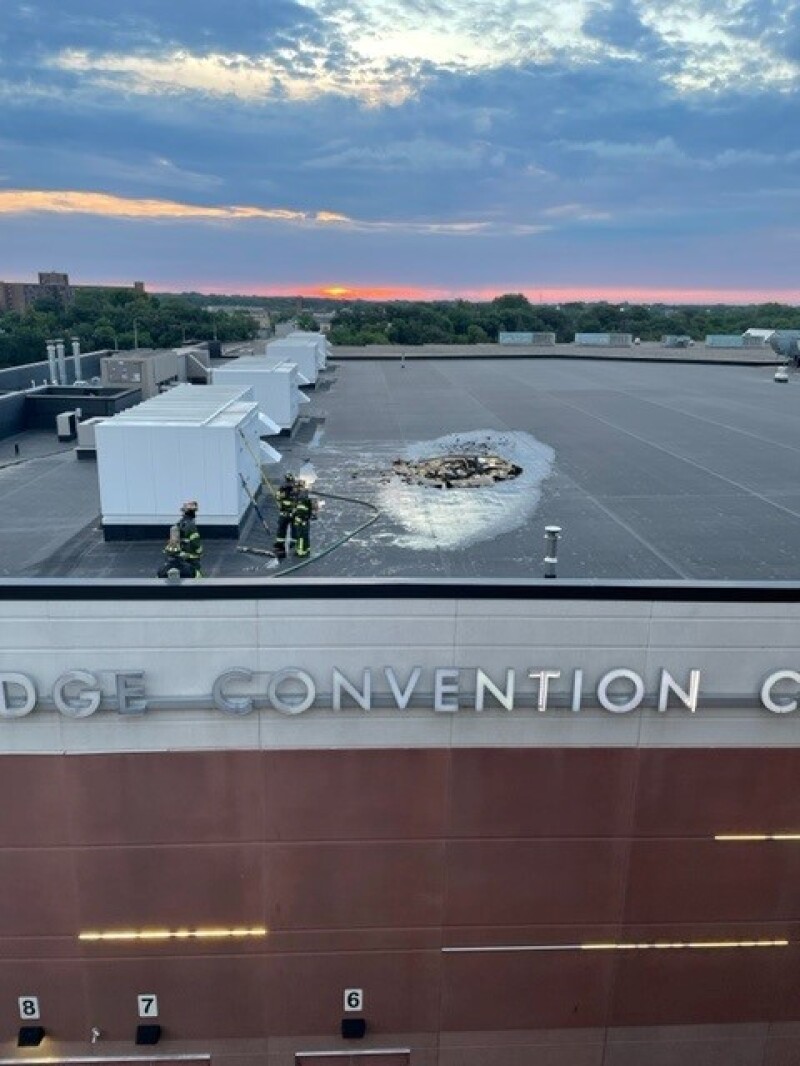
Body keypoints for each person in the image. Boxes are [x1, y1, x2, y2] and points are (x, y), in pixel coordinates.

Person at [273, 474, 297, 560]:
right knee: (294, 529)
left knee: (281, 530)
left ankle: (280, 546)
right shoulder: (295, 488)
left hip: (284, 514)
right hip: (292, 514)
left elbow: (277, 497)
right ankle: (293, 546)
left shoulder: (282, 489)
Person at [177, 500, 203, 576]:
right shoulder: (191, 525)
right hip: (192, 556)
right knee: (196, 574)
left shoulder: (180, 522)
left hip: (182, 554)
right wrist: (199, 551)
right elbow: (195, 541)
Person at [292, 486, 318, 558]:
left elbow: (296, 513)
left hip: (301, 523)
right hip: (305, 522)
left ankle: (300, 552)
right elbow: (311, 512)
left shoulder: (300, 504)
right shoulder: (308, 502)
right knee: (305, 536)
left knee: (300, 537)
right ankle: (306, 550)